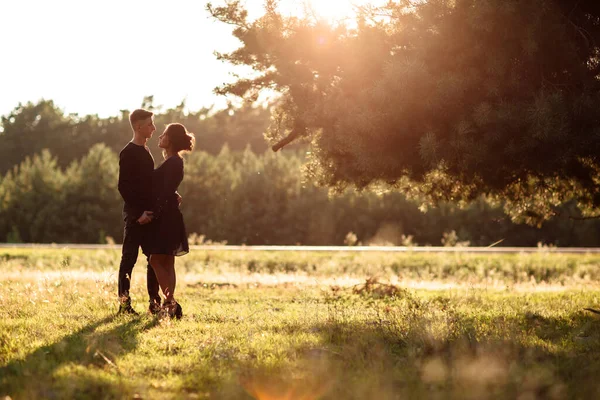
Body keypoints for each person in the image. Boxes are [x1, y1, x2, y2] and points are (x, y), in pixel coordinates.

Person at [142, 123, 194, 319]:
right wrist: (173, 194)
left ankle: (171, 302)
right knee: (167, 261)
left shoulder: (173, 162)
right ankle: (169, 305)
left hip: (166, 217)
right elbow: (168, 187)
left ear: (169, 140)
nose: (159, 137)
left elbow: (164, 192)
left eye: (163, 134)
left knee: (156, 259)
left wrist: (154, 213)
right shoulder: (173, 161)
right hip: (169, 214)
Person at [116, 108, 162, 315]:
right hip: (136, 217)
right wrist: (138, 215)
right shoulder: (128, 153)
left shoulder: (146, 150)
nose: (154, 128)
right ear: (138, 126)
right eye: (150, 124)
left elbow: (149, 183)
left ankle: (155, 303)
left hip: (149, 216)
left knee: (153, 259)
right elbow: (124, 187)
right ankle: (124, 306)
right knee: (128, 260)